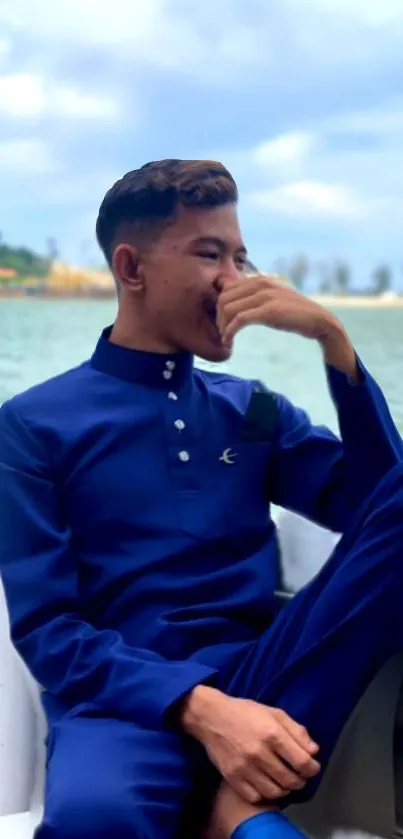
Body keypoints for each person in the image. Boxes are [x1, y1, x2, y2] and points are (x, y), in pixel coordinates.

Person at [1, 159, 403, 839]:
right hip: (123, 706)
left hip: (272, 676)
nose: (234, 279)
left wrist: (335, 345)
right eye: (209, 253)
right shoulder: (35, 424)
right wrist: (199, 708)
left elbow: (376, 514)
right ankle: (232, 806)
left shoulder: (250, 409)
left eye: (241, 257)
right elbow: (49, 631)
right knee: (96, 819)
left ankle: (232, 801)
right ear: (130, 269)